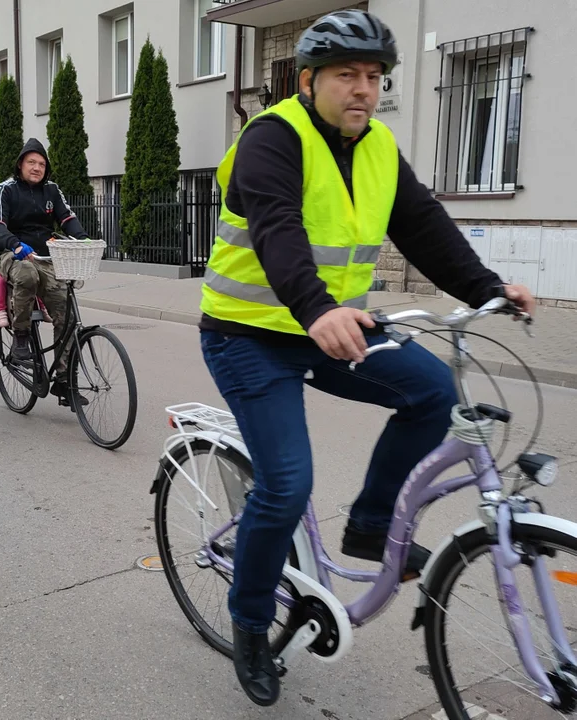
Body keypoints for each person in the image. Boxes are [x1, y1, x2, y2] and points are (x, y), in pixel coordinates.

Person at [197, 9, 536, 707]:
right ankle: (252, 622)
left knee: (434, 391)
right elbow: (278, 229)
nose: (363, 89)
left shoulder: (379, 146)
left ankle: (369, 526)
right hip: (249, 335)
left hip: (337, 328)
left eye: (375, 77)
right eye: (347, 75)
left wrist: (487, 289)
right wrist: (316, 309)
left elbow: (424, 226)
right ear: (310, 79)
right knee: (286, 485)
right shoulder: (271, 140)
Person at [0, 138, 88, 405]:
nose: (36, 167)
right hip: (12, 253)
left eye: (42, 163)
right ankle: (21, 338)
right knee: (26, 276)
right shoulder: (5, 190)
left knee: (66, 310)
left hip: (44, 256)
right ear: (20, 164)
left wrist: (82, 239)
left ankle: (65, 381)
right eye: (31, 162)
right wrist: (13, 243)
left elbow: (67, 218)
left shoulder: (52, 191)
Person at [0, 217, 49, 328]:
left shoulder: (5, 241)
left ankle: (43, 307)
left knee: (33, 278)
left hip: (12, 268)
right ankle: (0, 311)